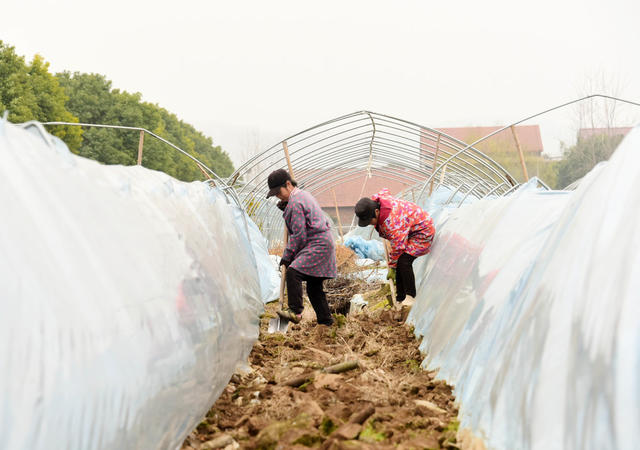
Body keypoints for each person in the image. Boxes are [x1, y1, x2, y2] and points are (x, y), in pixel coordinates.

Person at [266, 169, 336, 326]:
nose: (278, 196)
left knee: (293, 271)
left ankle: (295, 311)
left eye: (279, 192)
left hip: (317, 244)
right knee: (314, 286)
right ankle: (326, 322)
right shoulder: (302, 195)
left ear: (288, 184)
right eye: (275, 194)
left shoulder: (295, 202)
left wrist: (287, 256)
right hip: (324, 243)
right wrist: (286, 207)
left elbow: (299, 235)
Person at [354, 188, 435, 307]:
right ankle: (399, 298)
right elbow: (383, 191)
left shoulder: (392, 222)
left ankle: (410, 297)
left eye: (369, 220)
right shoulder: (376, 202)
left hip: (422, 231)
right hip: (410, 229)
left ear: (377, 211)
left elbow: (399, 247)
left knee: (403, 261)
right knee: (398, 261)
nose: (370, 224)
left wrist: (391, 267)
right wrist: (393, 264)